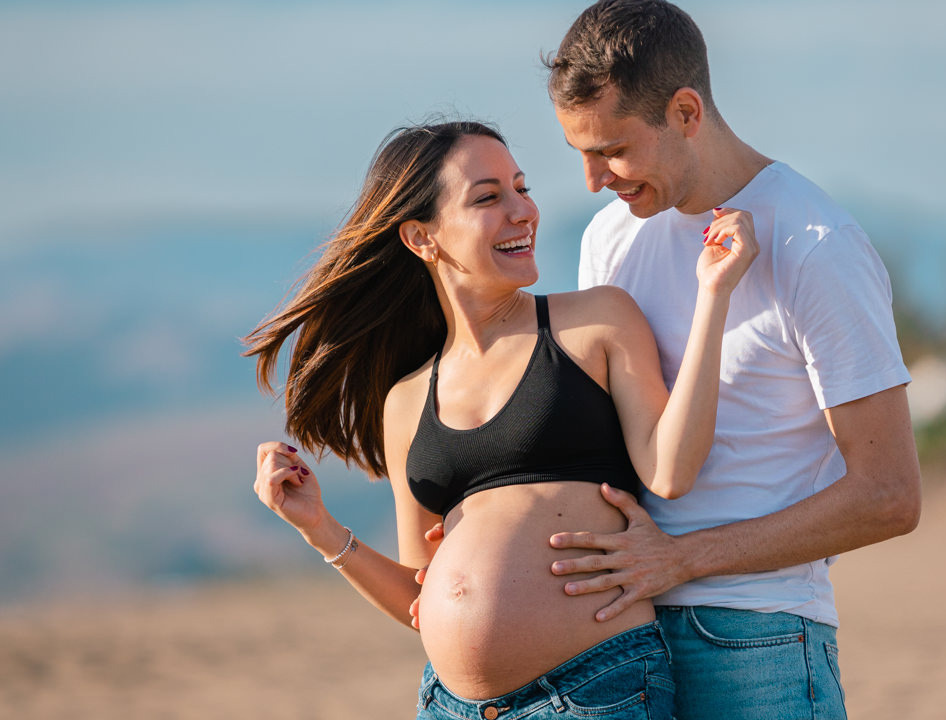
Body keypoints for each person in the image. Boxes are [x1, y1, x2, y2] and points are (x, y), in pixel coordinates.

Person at [244, 120, 757, 719]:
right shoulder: (407, 399)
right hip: (449, 706)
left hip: (595, 690)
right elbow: (420, 590)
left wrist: (714, 296)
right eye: (489, 197)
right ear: (420, 238)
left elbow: (671, 471)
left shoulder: (593, 322)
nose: (523, 211)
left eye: (522, 187)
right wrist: (318, 528)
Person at [537, 1, 923, 718]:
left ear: (686, 112)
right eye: (580, 154)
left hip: (761, 641)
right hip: (620, 639)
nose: (595, 179)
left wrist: (683, 560)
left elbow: (890, 496)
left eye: (613, 150)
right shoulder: (608, 239)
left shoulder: (815, 244)